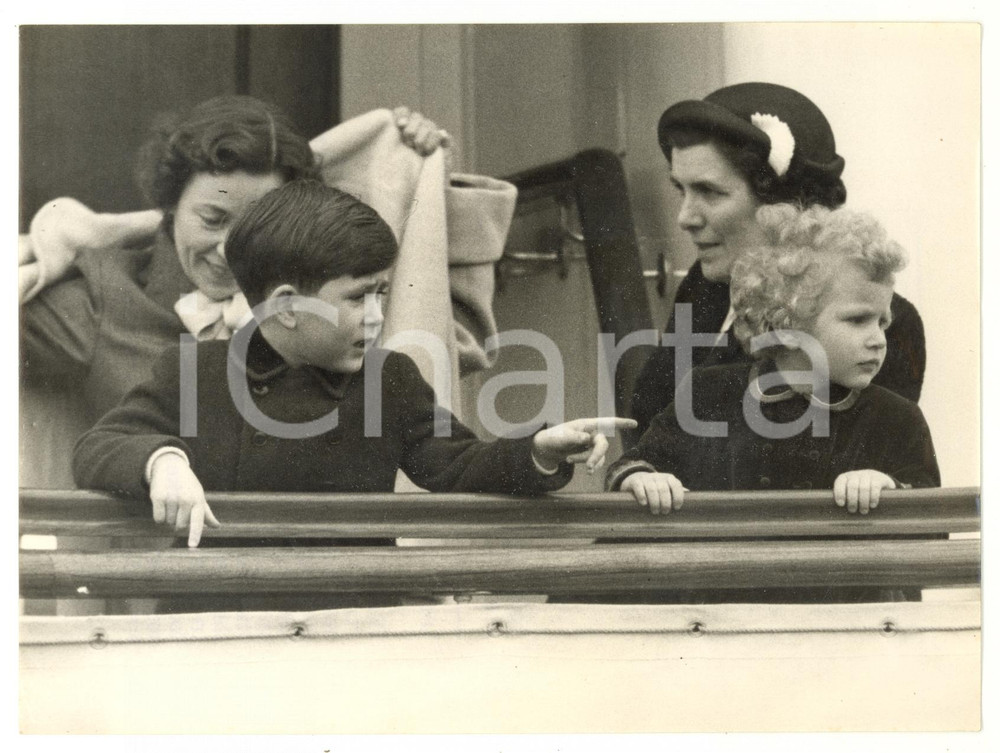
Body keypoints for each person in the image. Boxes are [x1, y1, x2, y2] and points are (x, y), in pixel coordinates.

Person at [72, 180, 637, 548]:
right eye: (357, 297)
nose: (375, 316)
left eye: (381, 294)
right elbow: (98, 447)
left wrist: (537, 449)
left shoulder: (388, 380)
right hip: (220, 618)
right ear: (289, 306)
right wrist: (163, 464)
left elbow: (457, 463)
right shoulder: (194, 370)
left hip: (354, 610)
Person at [20, 95, 449, 427]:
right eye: (212, 218)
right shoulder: (102, 297)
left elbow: (440, 319)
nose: (230, 249)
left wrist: (424, 174)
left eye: (256, 224)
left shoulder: (329, 294)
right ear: (170, 205)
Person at [629, 82, 926, 438]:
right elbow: (650, 423)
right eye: (682, 189)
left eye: (709, 191)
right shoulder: (705, 288)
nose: (685, 217)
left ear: (786, 203)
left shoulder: (880, 325)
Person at [608, 203, 940, 516]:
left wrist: (889, 488)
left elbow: (931, 516)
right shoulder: (708, 394)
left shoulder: (897, 419)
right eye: (858, 320)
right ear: (787, 325)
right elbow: (636, 462)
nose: (878, 340)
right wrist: (642, 479)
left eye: (883, 323)